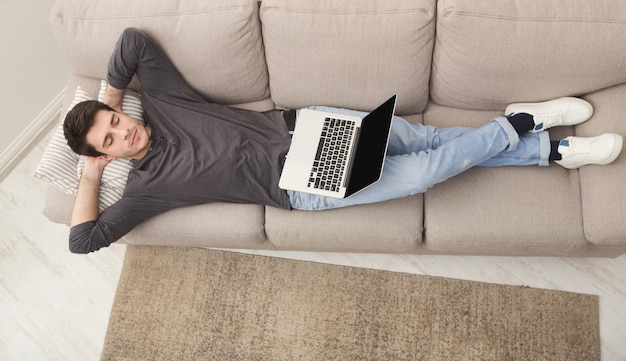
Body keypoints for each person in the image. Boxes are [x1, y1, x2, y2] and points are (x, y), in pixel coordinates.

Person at [63, 28, 623, 254]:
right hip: (304, 186)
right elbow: (83, 241)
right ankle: (525, 126)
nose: (123, 130)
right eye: (109, 139)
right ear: (104, 154)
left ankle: (552, 151)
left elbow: (132, 42)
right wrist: (90, 174)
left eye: (114, 121)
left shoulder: (163, 101)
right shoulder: (145, 191)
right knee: (427, 171)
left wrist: (108, 101)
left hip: (309, 128)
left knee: (427, 138)